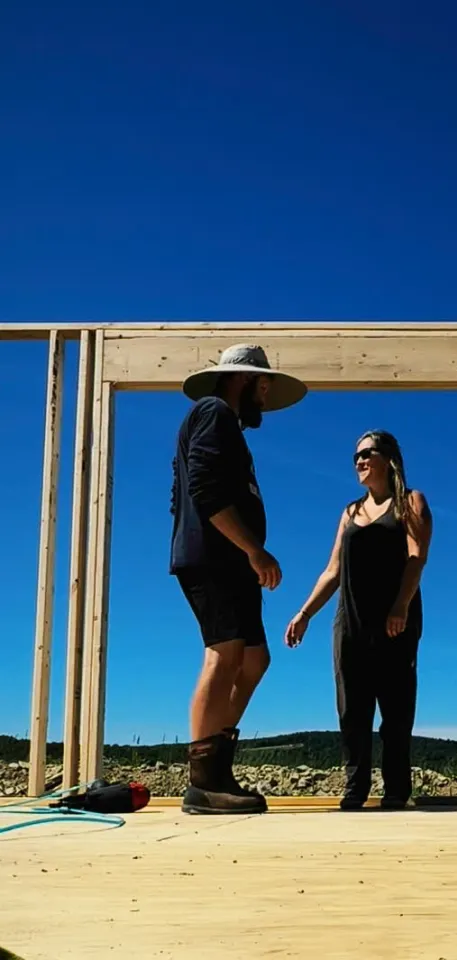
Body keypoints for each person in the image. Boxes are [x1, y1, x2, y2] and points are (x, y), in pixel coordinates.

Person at [170, 344, 307, 815]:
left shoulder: (228, 427)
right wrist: (253, 549)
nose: (265, 395)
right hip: (215, 559)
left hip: (232, 563)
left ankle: (219, 764)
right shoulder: (212, 412)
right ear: (240, 379)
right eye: (262, 384)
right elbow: (201, 488)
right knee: (225, 652)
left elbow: (188, 490)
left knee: (254, 658)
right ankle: (204, 783)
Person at [285, 430, 432, 810]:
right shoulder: (350, 513)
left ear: (389, 459)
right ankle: (355, 788)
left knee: (396, 709)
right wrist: (304, 614)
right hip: (350, 624)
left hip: (395, 621)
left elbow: (416, 558)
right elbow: (333, 570)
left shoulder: (411, 502)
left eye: (367, 453)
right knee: (353, 709)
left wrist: (400, 605)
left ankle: (396, 789)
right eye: (355, 456)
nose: (359, 461)